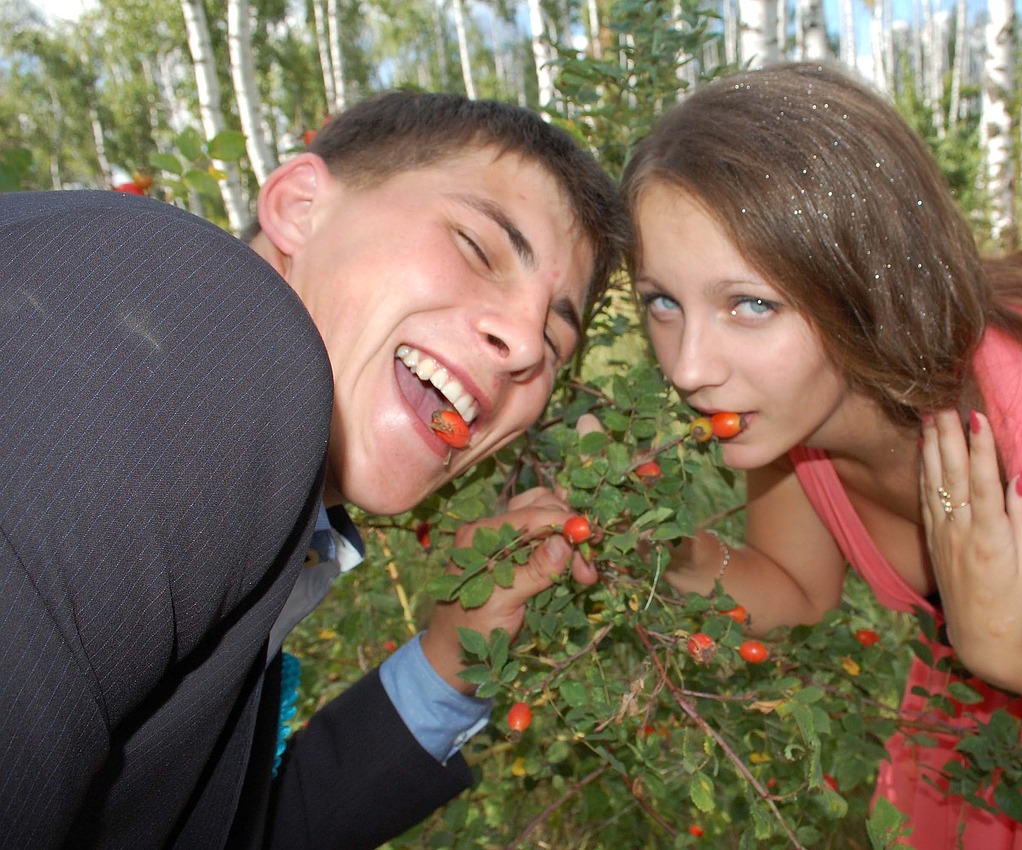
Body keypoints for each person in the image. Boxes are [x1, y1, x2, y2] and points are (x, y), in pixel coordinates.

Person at [620, 62, 1022, 846]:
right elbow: (795, 588)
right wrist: (644, 549)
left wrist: (1002, 652)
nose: (689, 366)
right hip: (1009, 683)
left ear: (869, 283)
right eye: (663, 301)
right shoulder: (786, 408)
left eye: (751, 304)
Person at [0, 91, 625, 849]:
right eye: (476, 245)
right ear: (298, 206)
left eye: (556, 343)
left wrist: (452, 658)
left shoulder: (268, 508)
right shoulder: (181, 309)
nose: (527, 343)